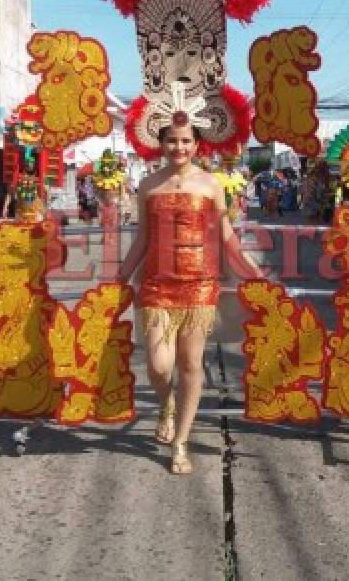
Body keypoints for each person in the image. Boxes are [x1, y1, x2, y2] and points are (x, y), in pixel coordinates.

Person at [116, 113, 264, 474]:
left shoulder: (211, 185)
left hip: (199, 285)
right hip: (156, 284)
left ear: (197, 145)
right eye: (171, 140)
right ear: (161, 144)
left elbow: (225, 234)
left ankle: (181, 442)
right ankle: (167, 404)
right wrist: (120, 276)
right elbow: (143, 238)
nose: (178, 147)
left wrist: (250, 269)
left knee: (189, 364)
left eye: (185, 141)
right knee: (158, 364)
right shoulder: (149, 185)